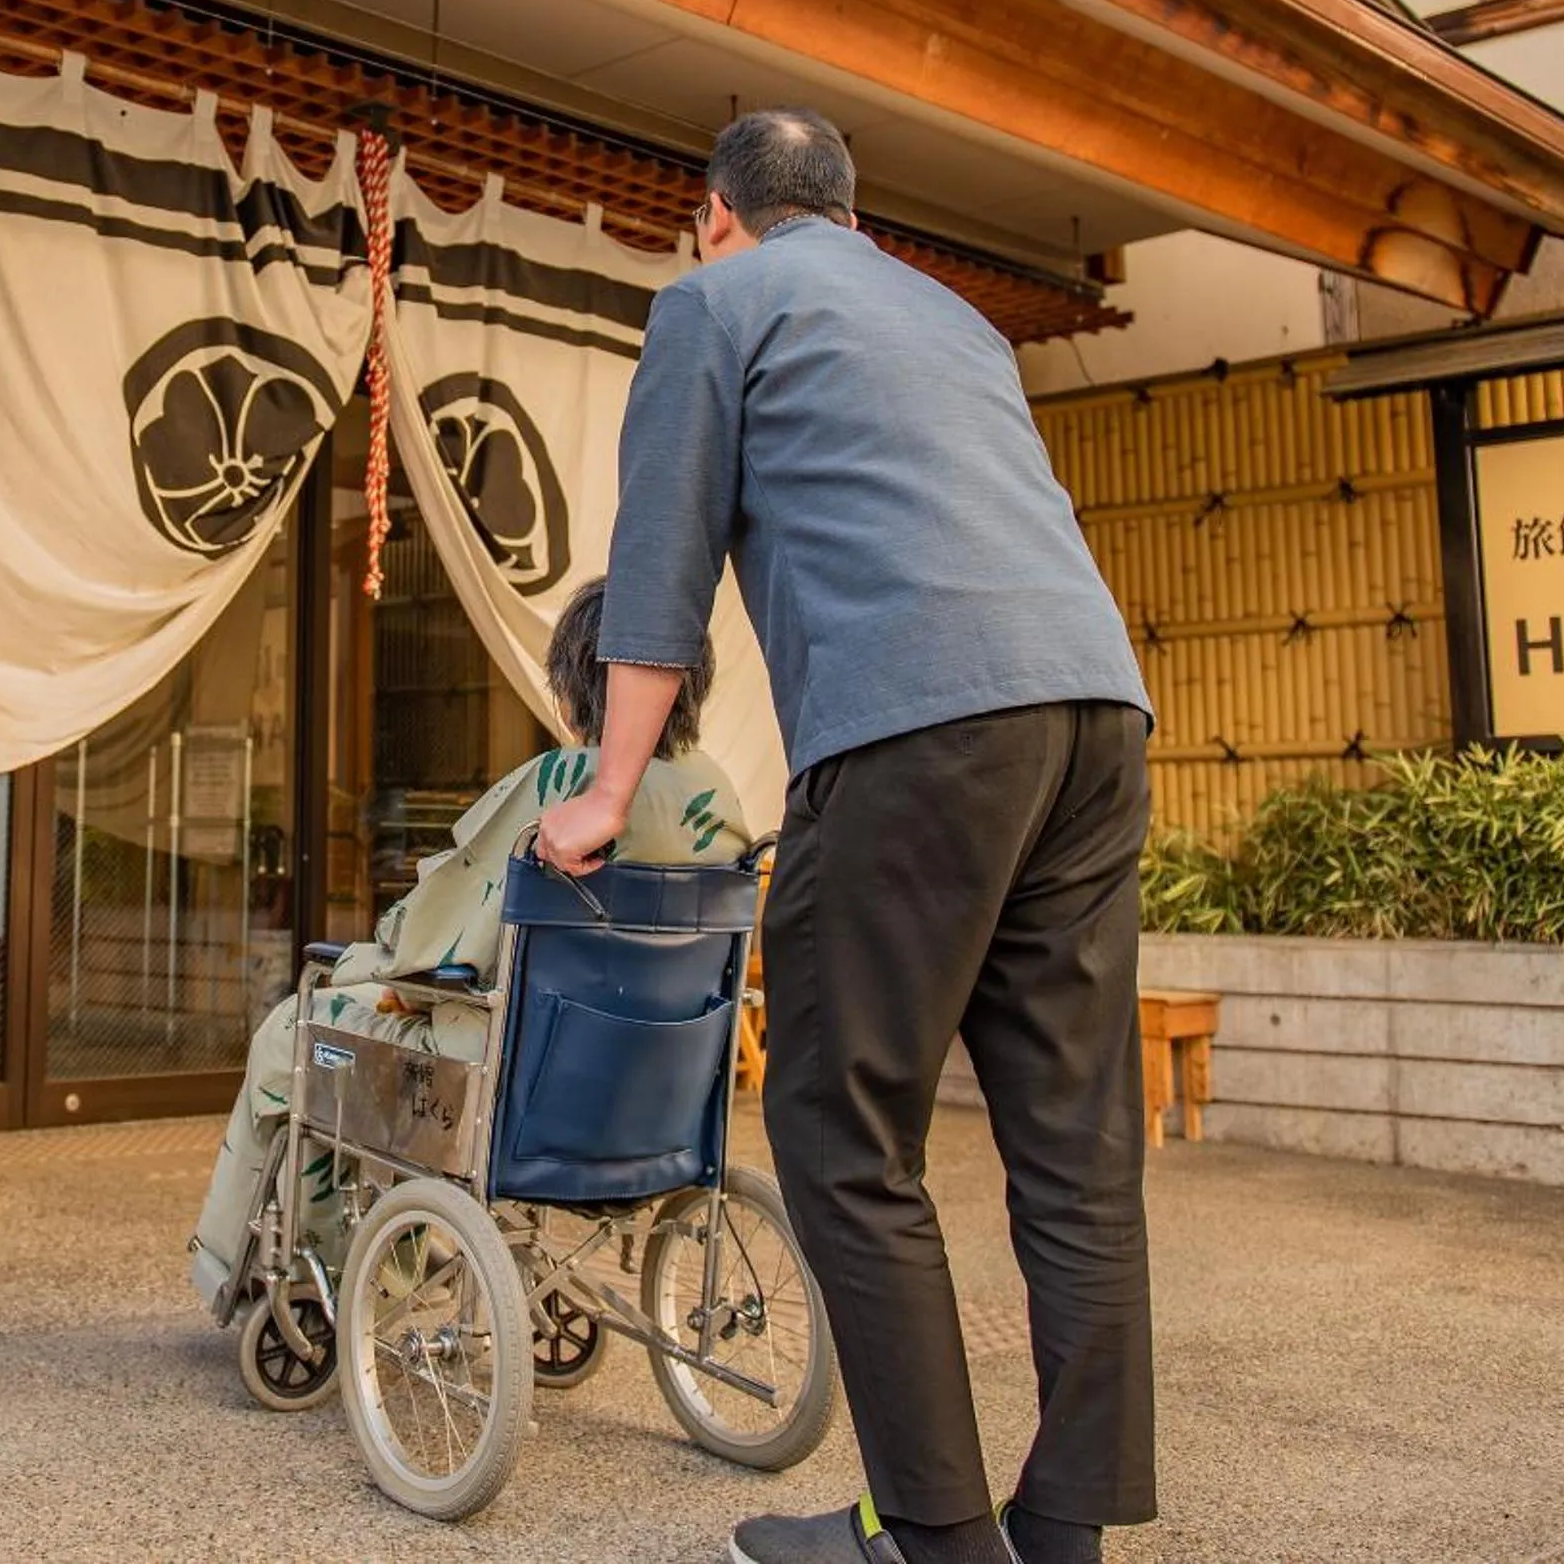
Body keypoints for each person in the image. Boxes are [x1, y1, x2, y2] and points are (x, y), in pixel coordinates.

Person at [537, 110, 1155, 1564]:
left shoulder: (713, 300)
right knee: (1074, 1152)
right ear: (855, 218)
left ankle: (935, 1542)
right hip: (1096, 718)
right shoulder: (957, 322)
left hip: (919, 729)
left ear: (715, 216)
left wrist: (612, 788)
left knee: (841, 1126)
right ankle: (1061, 1531)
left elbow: (662, 555)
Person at [187, 578, 749, 1315]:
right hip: (656, 1095)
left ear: (576, 685)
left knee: (298, 1032)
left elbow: (432, 931)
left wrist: (365, 963)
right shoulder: (723, 798)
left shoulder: (564, 788)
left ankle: (282, 1273)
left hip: (509, 1079)